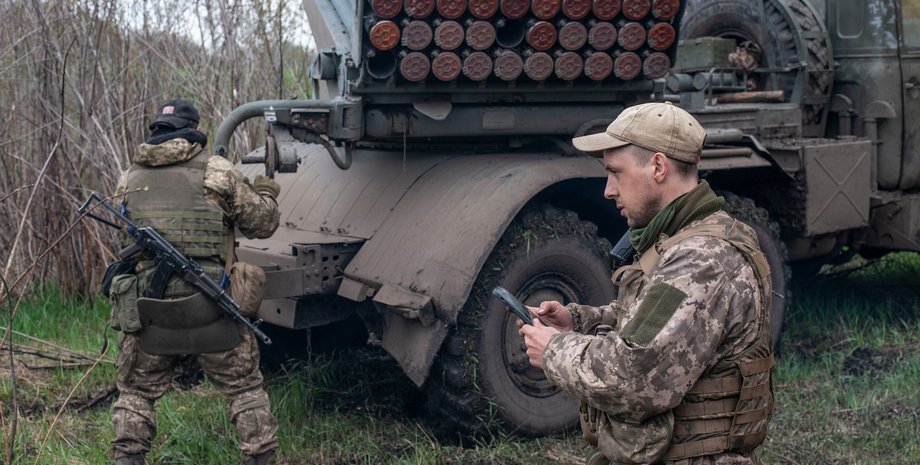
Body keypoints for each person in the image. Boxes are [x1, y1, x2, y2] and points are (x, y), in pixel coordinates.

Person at [518, 101, 775, 465]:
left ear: (658, 166)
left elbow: (632, 379)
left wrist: (553, 349)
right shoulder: (687, 238)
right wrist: (578, 322)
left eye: (616, 173)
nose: (608, 190)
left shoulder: (701, 259)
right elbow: (654, 316)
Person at [108, 99, 282, 465]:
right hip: (211, 304)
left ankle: (128, 458)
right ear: (196, 131)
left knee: (136, 393)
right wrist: (267, 191)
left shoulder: (129, 178)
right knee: (245, 390)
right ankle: (261, 458)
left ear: (156, 130)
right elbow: (263, 224)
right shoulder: (217, 171)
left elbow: (126, 235)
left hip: (151, 309)